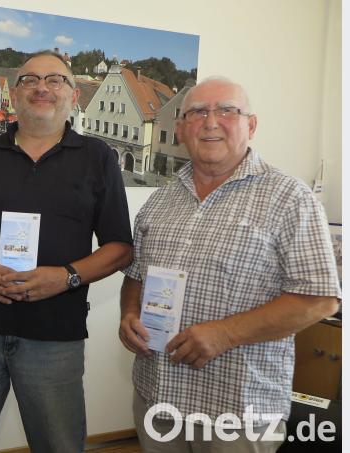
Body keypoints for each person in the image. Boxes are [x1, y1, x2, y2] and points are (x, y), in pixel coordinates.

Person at [118, 76, 340, 452]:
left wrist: (225, 333)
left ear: (250, 125)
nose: (210, 121)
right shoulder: (160, 201)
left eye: (227, 111)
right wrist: (127, 315)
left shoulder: (290, 199)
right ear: (181, 128)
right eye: (197, 112)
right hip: (157, 398)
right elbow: (136, 277)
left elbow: (320, 299)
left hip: (237, 411)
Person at [0, 51, 134, 453]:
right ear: (15, 93)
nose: (43, 87)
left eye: (55, 80)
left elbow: (119, 248)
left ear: (73, 95)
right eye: (30, 80)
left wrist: (66, 277)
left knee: (58, 444)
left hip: (54, 335)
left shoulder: (98, 159)